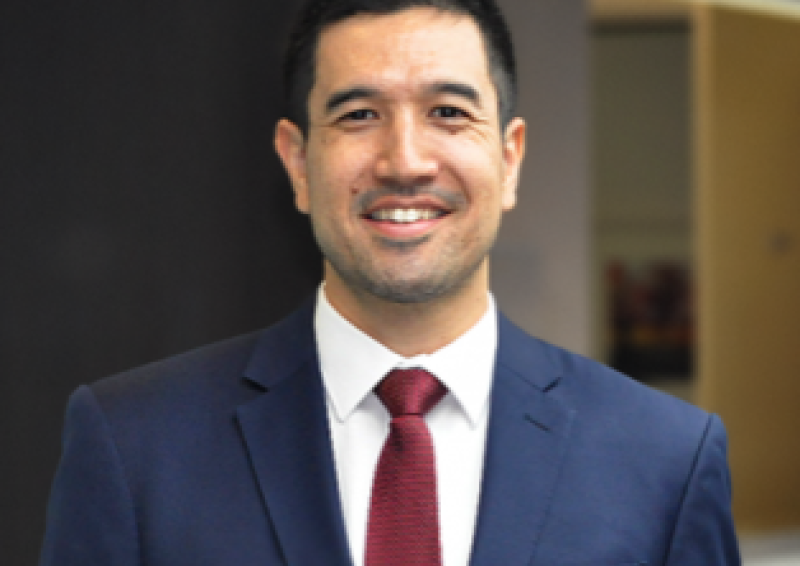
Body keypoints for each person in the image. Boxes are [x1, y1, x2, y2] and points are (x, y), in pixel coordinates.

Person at [40, 0, 740, 564]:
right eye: (359, 115)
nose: (404, 161)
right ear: (298, 163)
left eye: (448, 112)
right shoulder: (135, 447)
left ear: (510, 159)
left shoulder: (665, 460)